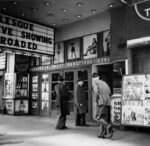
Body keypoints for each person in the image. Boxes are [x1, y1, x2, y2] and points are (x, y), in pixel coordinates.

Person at [92, 72, 114, 138]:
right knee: (103, 118)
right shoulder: (104, 83)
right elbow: (110, 92)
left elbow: (95, 92)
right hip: (107, 102)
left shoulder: (94, 82)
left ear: (93, 78)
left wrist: (95, 101)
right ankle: (101, 134)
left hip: (101, 102)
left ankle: (108, 126)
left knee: (96, 117)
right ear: (98, 77)